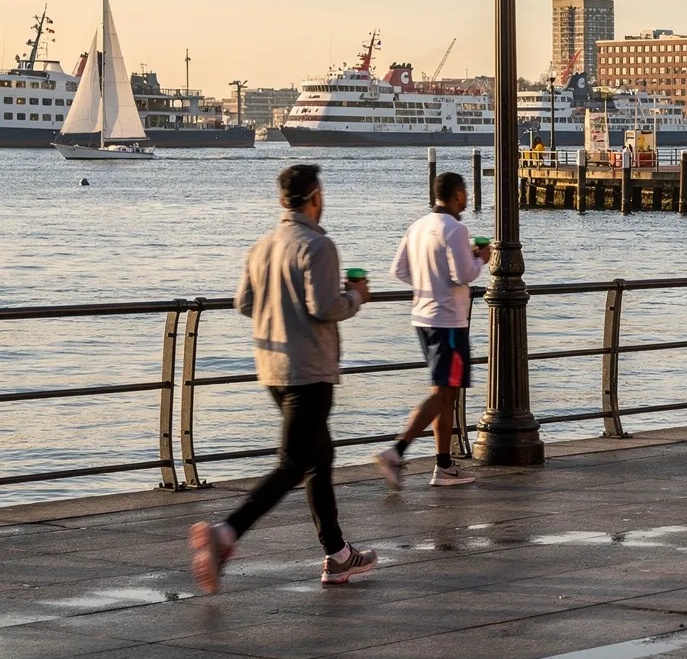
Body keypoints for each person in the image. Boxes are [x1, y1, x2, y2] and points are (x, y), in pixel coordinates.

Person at [189, 164, 378, 593]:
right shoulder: (319, 245)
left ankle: (339, 554)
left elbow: (243, 303)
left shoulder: (261, 246)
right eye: (321, 195)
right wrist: (357, 296)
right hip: (309, 370)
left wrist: (280, 312)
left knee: (319, 458)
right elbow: (324, 307)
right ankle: (227, 533)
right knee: (296, 462)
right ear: (315, 198)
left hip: (272, 369)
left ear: (281, 202)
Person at [375, 172, 488, 488]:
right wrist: (482, 260)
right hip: (448, 321)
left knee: (447, 393)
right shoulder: (456, 229)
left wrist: (427, 282)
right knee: (442, 393)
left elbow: (399, 269)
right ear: (456, 195)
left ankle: (444, 465)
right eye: (463, 193)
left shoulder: (418, 226)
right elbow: (464, 274)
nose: (465, 198)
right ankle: (396, 451)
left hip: (422, 318)